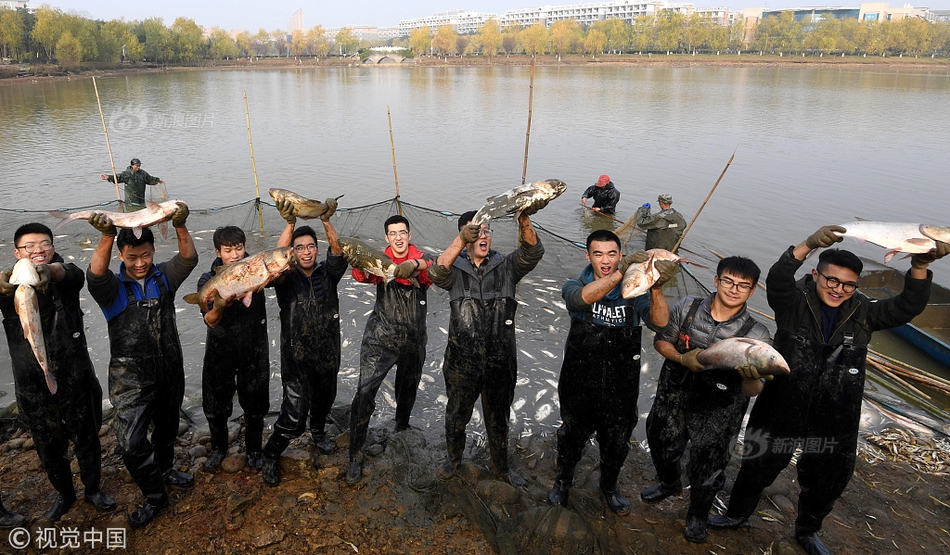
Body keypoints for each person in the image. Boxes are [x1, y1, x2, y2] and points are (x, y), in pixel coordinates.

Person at [708, 226, 948, 555]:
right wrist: (807, 244)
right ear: (816, 274)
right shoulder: (792, 301)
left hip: (837, 411)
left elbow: (907, 307)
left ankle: (807, 529)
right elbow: (778, 279)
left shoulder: (865, 312)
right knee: (759, 462)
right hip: (783, 403)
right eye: (831, 280)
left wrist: (919, 267)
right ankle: (736, 515)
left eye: (848, 284)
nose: (838, 289)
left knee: (828, 476)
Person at [641, 256, 770, 543]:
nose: (734, 289)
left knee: (709, 467)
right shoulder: (688, 307)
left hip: (720, 408)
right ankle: (669, 482)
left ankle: (697, 515)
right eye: (728, 281)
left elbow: (753, 390)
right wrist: (681, 357)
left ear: (752, 290)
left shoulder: (758, 334)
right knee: (661, 441)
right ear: (716, 280)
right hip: (673, 393)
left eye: (743, 286)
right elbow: (661, 340)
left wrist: (749, 376)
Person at [86, 203, 197, 528]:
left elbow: (189, 258)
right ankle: (155, 496)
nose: (140, 263)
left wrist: (179, 225)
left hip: (169, 370)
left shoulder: (163, 277)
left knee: (166, 431)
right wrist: (107, 236)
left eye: (145, 255)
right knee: (131, 445)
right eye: (132, 257)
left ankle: (164, 469)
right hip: (130, 379)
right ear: (121, 255)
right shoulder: (111, 289)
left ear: (152, 251)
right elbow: (94, 274)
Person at [547, 230, 674, 515]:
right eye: (598, 254)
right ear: (588, 255)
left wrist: (654, 286)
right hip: (579, 380)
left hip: (621, 383)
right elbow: (582, 300)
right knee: (571, 435)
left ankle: (609, 486)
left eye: (612, 254)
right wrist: (622, 270)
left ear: (620, 254)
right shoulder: (574, 284)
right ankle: (563, 481)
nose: (606, 260)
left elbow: (660, 324)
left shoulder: (634, 291)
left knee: (617, 439)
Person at [0, 223, 116, 522]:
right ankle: (65, 494)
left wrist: (49, 272)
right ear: (17, 252)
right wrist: (4, 284)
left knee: (87, 436)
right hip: (31, 381)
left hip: (75, 374)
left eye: (44, 243)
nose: (37, 249)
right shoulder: (8, 286)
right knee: (48, 445)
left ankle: (92, 490)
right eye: (29, 246)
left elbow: (70, 274)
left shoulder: (67, 274)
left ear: (53, 247)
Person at [428, 207, 545, 487]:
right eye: (475, 231)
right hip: (461, 362)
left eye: (486, 231)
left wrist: (524, 219)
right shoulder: (454, 269)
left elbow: (533, 252)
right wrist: (459, 241)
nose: (483, 236)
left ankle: (501, 468)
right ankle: (453, 461)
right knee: (456, 415)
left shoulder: (507, 266)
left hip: (500, 361)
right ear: (464, 236)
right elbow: (435, 272)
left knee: (498, 419)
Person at [260, 197, 344, 487]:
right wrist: (290, 223)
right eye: (299, 248)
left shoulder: (329, 274)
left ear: (316, 250)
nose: (306, 252)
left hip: (328, 354)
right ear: (292, 253)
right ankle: (270, 454)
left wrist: (325, 219)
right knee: (294, 418)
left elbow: (338, 249)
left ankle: (319, 433)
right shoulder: (285, 277)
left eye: (310, 247)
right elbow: (273, 259)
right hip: (296, 358)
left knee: (324, 402)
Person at [346, 215, 433, 485]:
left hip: (413, 339)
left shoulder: (421, 257)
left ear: (409, 235)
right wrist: (356, 259)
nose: (398, 237)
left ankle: (401, 428)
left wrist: (414, 266)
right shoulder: (379, 258)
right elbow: (361, 276)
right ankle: (355, 454)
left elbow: (434, 269)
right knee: (364, 392)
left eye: (402, 233)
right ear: (386, 238)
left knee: (407, 390)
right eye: (393, 233)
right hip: (381, 337)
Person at [195, 226, 270, 473]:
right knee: (216, 406)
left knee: (256, 404)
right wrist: (219, 305)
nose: (235, 255)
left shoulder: (256, 270)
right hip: (220, 350)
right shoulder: (208, 280)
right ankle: (218, 448)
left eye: (239, 248)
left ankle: (255, 450)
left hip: (254, 348)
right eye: (228, 250)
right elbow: (210, 320)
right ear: (218, 252)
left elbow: (276, 265)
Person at [99, 158, 164, 209]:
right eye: (137, 165)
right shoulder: (126, 174)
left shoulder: (142, 173)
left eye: (139, 165)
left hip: (141, 198)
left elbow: (150, 179)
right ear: (132, 166)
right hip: (131, 201)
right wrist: (107, 177)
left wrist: (158, 180)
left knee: (142, 212)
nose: (139, 167)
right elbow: (117, 177)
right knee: (133, 212)